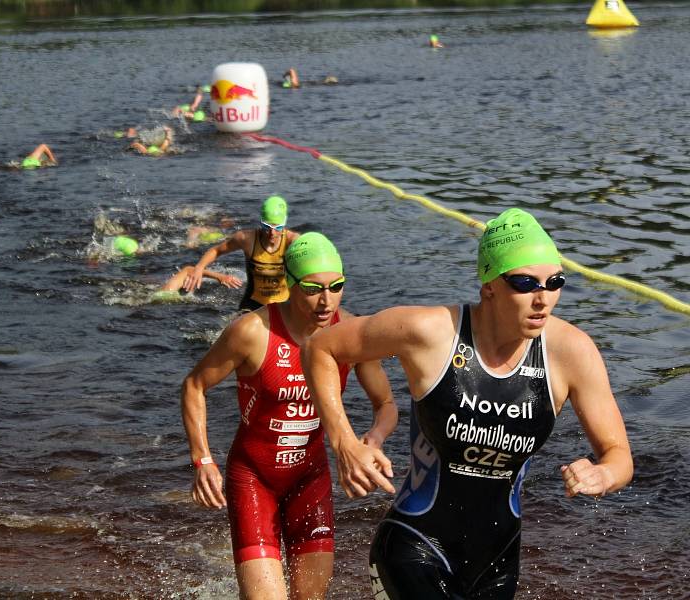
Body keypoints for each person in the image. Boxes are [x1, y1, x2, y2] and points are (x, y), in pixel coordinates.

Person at [301, 208, 633, 599]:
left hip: (497, 560)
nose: (543, 298)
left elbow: (619, 455)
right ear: (489, 284)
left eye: (554, 282)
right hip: (415, 547)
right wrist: (344, 442)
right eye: (525, 283)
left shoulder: (571, 352)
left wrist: (605, 475)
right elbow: (320, 348)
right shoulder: (431, 332)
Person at [181, 232, 398, 600]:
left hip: (310, 479)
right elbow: (194, 386)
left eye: (336, 286)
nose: (326, 301)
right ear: (289, 284)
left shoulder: (351, 333)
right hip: (254, 478)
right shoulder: (251, 331)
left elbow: (386, 404)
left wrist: (372, 439)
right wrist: (202, 459)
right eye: (313, 288)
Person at [183, 196, 300, 311]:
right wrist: (199, 267)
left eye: (278, 227)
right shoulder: (246, 238)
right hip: (254, 303)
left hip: (285, 304)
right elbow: (216, 250)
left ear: (284, 224)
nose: (272, 233)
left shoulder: (293, 241)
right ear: (261, 222)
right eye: (267, 226)